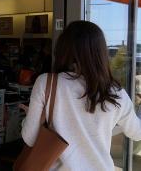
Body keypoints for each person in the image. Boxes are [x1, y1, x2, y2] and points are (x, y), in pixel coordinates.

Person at [21, 21, 141, 170]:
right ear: (101, 53)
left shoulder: (47, 82)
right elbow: (137, 133)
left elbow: (30, 139)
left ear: (63, 49)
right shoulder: (116, 93)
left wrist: (31, 118)